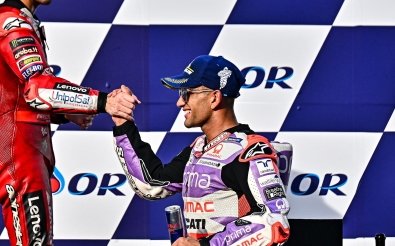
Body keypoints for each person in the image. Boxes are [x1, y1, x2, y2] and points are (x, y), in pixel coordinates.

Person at [0, 0, 139, 245]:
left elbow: (17, 97)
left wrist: (66, 111)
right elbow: (39, 88)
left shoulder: (17, 21)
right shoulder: (12, 24)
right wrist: (105, 101)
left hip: (20, 149)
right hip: (17, 154)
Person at [110, 55, 291, 246]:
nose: (180, 102)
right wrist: (123, 123)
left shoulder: (248, 150)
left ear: (214, 98)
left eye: (186, 93)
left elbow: (273, 221)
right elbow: (151, 185)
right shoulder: (198, 148)